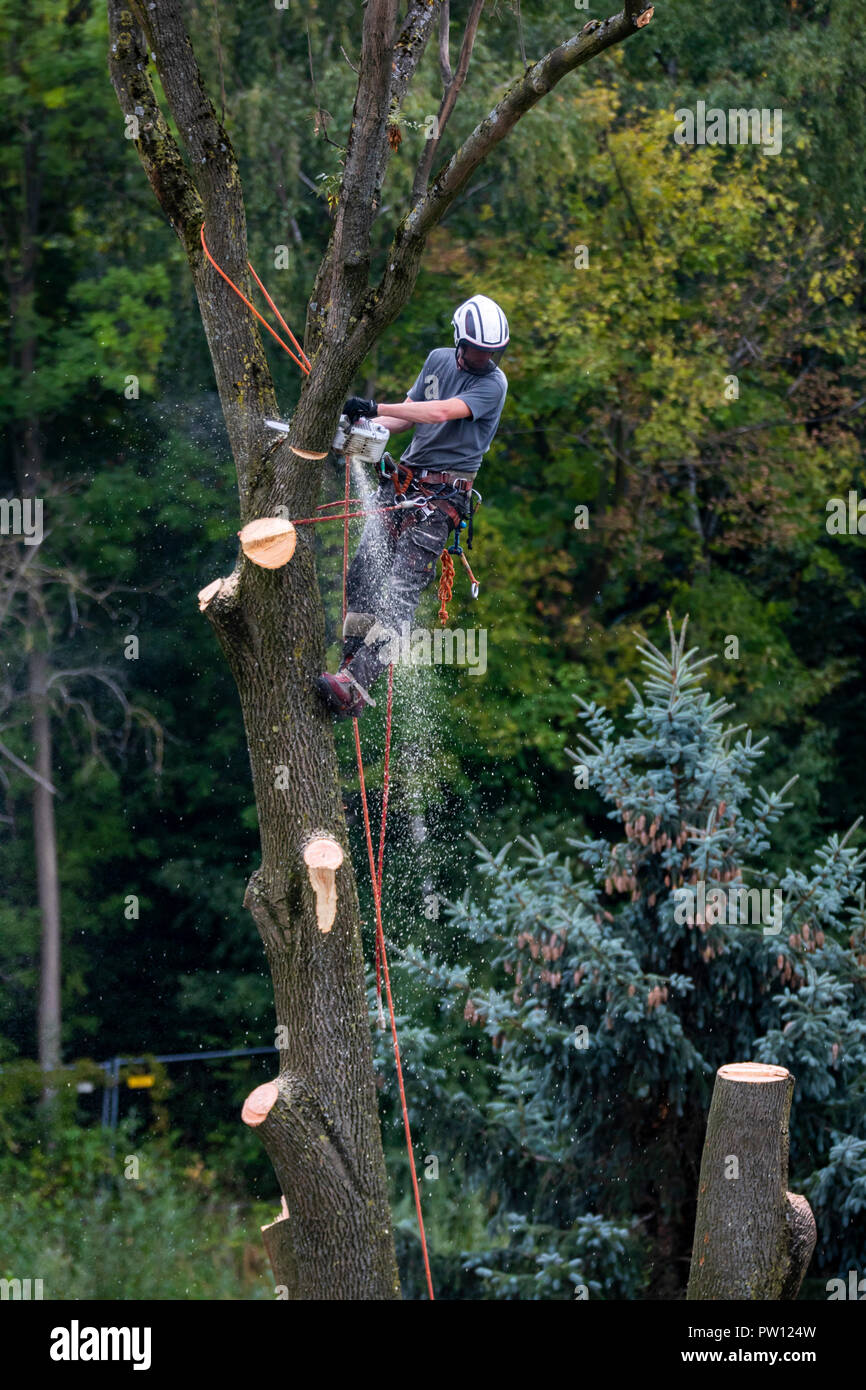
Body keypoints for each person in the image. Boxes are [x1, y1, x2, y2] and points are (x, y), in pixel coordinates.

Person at [316, 294, 509, 720]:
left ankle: (358, 683)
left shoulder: (493, 385)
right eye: (477, 351)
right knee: (363, 573)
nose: (484, 359)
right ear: (459, 342)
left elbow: (440, 412)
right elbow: (407, 416)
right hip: (404, 482)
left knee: (400, 592)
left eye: (492, 353)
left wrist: (374, 406)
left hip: (442, 501)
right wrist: (358, 426)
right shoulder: (439, 360)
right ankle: (350, 670)